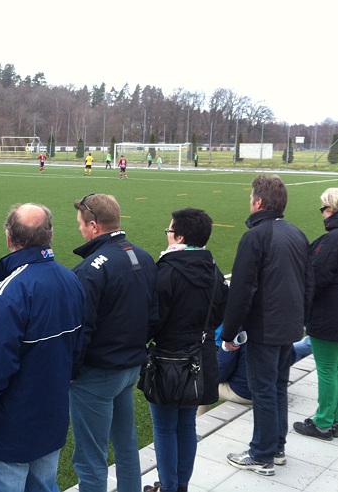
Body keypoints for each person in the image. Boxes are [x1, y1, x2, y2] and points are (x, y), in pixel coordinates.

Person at [0, 203, 85, 492]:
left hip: (8, 432)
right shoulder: (71, 279)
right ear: (50, 235)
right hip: (51, 421)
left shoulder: (6, 295)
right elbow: (77, 352)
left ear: (9, 238)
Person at [222, 175, 314, 476]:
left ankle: (262, 454)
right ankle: (276, 448)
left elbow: (242, 290)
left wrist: (230, 332)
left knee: (263, 390)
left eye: (251, 197)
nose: (249, 202)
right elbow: (308, 284)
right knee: (276, 387)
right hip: (289, 325)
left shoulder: (256, 237)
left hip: (265, 327)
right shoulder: (296, 233)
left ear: (259, 202)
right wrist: (302, 319)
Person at [70, 193, 158, 492]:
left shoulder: (91, 269)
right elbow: (154, 315)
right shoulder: (143, 256)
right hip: (130, 366)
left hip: (98, 374)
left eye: (81, 224)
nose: (79, 229)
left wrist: (72, 371)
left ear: (94, 226)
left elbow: (82, 329)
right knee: (125, 444)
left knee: (90, 457)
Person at [143, 208, 228, 492]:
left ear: (179, 237)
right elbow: (219, 313)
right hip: (200, 357)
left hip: (169, 359)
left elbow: (153, 319)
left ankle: (169, 486)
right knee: (186, 425)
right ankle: (179, 485)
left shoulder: (166, 270)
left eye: (169, 231)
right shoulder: (213, 269)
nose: (167, 235)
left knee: (165, 428)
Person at [293, 188, 338, 441]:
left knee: (326, 368)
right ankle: (334, 420)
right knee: (336, 368)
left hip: (331, 312)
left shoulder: (336, 238)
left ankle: (323, 422)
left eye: (323, 209)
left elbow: (316, 277)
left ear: (332, 208)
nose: (322, 214)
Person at [197, 328, 252, 415]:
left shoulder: (235, 330)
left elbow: (223, 370)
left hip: (243, 393)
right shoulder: (270, 327)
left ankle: (200, 421)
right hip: (268, 390)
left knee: (201, 384)